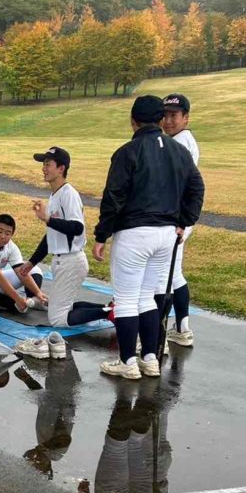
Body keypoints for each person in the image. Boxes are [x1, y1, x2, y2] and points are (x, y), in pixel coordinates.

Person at [92, 95, 205, 381]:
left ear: (133, 121)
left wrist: (102, 234)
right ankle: (151, 358)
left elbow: (114, 196)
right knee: (147, 298)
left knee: (126, 299)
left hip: (135, 232)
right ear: (159, 119)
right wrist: (184, 221)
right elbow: (196, 188)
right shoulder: (178, 151)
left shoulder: (128, 152)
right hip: (166, 234)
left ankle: (128, 361)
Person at [15, 146, 112, 360]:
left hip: (71, 261)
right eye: (43, 164)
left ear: (61, 168)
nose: (43, 168)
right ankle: (108, 308)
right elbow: (52, 235)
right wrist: (32, 262)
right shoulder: (55, 194)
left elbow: (77, 228)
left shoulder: (69, 194)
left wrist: (47, 218)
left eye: (48, 164)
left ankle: (110, 313)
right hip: (63, 261)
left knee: (57, 319)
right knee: (62, 308)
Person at [161, 93, 200, 347]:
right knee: (174, 275)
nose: (168, 120)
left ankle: (156, 335)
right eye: (164, 115)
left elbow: (181, 186)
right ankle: (182, 328)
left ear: (186, 118)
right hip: (179, 219)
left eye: (174, 115)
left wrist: (180, 223)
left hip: (175, 219)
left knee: (163, 277)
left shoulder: (180, 143)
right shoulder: (178, 140)